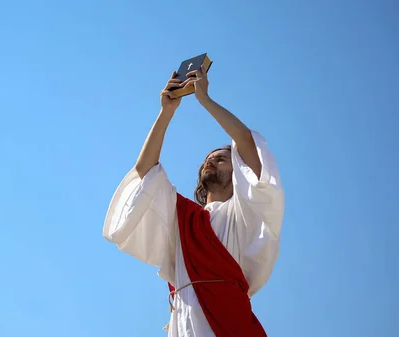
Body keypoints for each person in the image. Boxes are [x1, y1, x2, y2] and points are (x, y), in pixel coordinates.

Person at [102, 64, 285, 337]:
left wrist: (205, 100)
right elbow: (145, 172)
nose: (211, 161)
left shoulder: (244, 213)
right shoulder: (183, 218)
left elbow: (246, 141)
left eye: (221, 159)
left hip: (229, 322)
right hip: (185, 324)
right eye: (207, 160)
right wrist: (166, 112)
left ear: (240, 173)